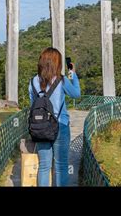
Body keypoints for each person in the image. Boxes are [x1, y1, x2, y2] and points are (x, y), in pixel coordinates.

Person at [28, 47, 81, 187]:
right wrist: (73, 74)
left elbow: (33, 105)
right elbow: (76, 94)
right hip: (60, 126)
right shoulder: (62, 80)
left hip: (40, 128)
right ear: (57, 63)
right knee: (61, 166)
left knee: (44, 166)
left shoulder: (33, 81)